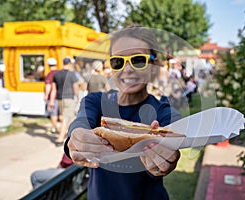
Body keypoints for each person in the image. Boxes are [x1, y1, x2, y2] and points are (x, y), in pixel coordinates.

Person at [64, 25, 182, 200]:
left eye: (138, 60)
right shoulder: (95, 101)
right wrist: (75, 139)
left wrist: (164, 159)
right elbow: (82, 121)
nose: (127, 69)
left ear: (154, 65)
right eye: (118, 61)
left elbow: (176, 130)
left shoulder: (163, 110)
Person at [50, 57, 79, 144]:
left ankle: (65, 133)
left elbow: (53, 89)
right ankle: (61, 138)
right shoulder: (72, 74)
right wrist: (77, 97)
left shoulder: (56, 74)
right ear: (69, 63)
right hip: (69, 98)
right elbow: (75, 87)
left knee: (63, 117)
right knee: (67, 118)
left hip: (59, 99)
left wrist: (51, 101)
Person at [44, 58, 59, 134]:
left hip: (52, 97)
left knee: (53, 113)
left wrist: (46, 95)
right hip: (60, 97)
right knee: (59, 114)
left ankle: (54, 128)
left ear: (48, 65)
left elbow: (48, 85)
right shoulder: (59, 72)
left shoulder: (50, 74)